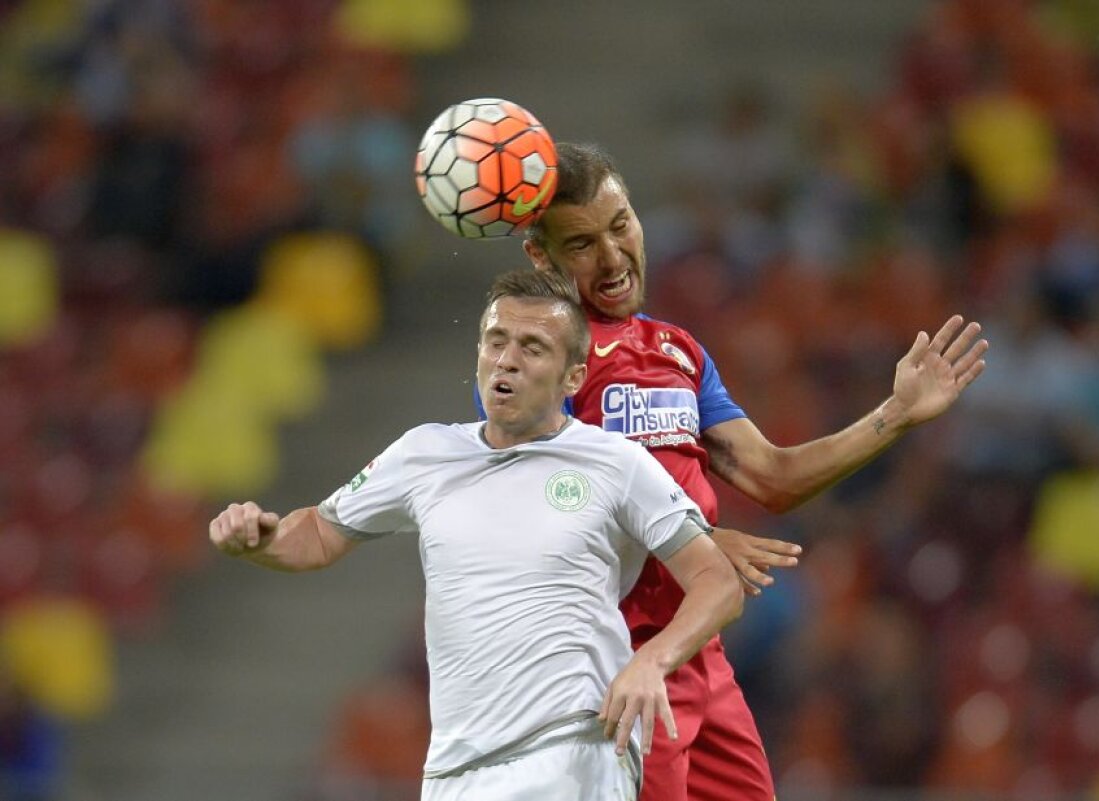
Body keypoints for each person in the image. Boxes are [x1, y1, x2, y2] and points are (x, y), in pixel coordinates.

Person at [521, 142, 989, 801]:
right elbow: (534, 513)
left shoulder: (677, 352)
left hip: (699, 657)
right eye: (581, 244)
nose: (613, 258)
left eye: (620, 225)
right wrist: (691, 543)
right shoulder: (535, 358)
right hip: (615, 666)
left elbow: (774, 475)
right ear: (540, 257)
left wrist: (898, 413)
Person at [209, 269, 747, 801]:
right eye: (497, 341)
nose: (507, 359)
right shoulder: (424, 453)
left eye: (533, 347)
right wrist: (262, 539)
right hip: (457, 770)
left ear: (573, 378)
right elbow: (319, 536)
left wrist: (651, 661)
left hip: (575, 751)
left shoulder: (615, 462)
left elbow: (716, 581)